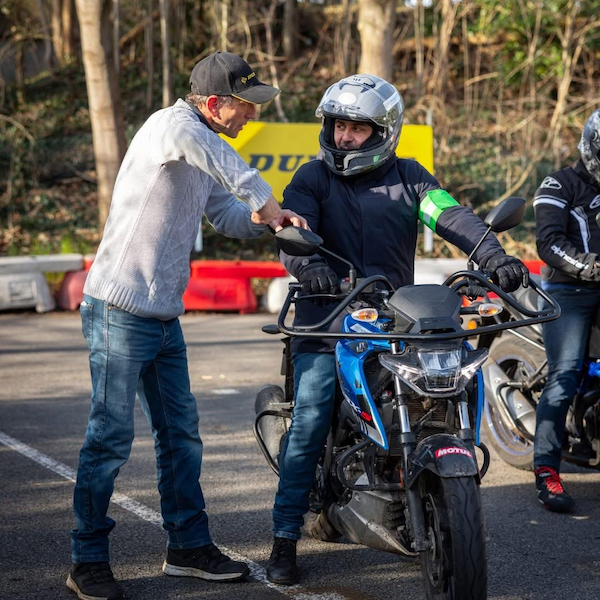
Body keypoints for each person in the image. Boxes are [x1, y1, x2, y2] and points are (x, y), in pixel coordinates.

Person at [266, 73, 529, 585]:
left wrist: (493, 255)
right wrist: (307, 267)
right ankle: (283, 538)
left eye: (356, 129)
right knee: (314, 414)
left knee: (445, 382)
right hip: (327, 319)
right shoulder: (311, 178)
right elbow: (293, 229)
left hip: (392, 318)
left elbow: (450, 215)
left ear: (385, 131)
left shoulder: (410, 177)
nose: (343, 137)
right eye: (338, 125)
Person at [67, 51, 307, 600]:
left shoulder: (204, 148)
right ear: (215, 103)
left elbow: (225, 212)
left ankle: (187, 548)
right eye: (246, 106)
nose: (252, 116)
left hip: (161, 314)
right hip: (118, 309)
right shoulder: (171, 127)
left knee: (181, 438)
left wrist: (270, 222)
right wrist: (268, 203)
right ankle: (87, 559)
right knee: (109, 438)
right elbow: (223, 162)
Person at [532, 108, 600, 513]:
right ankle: (547, 470)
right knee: (566, 373)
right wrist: (588, 264)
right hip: (569, 289)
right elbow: (548, 243)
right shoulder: (559, 183)